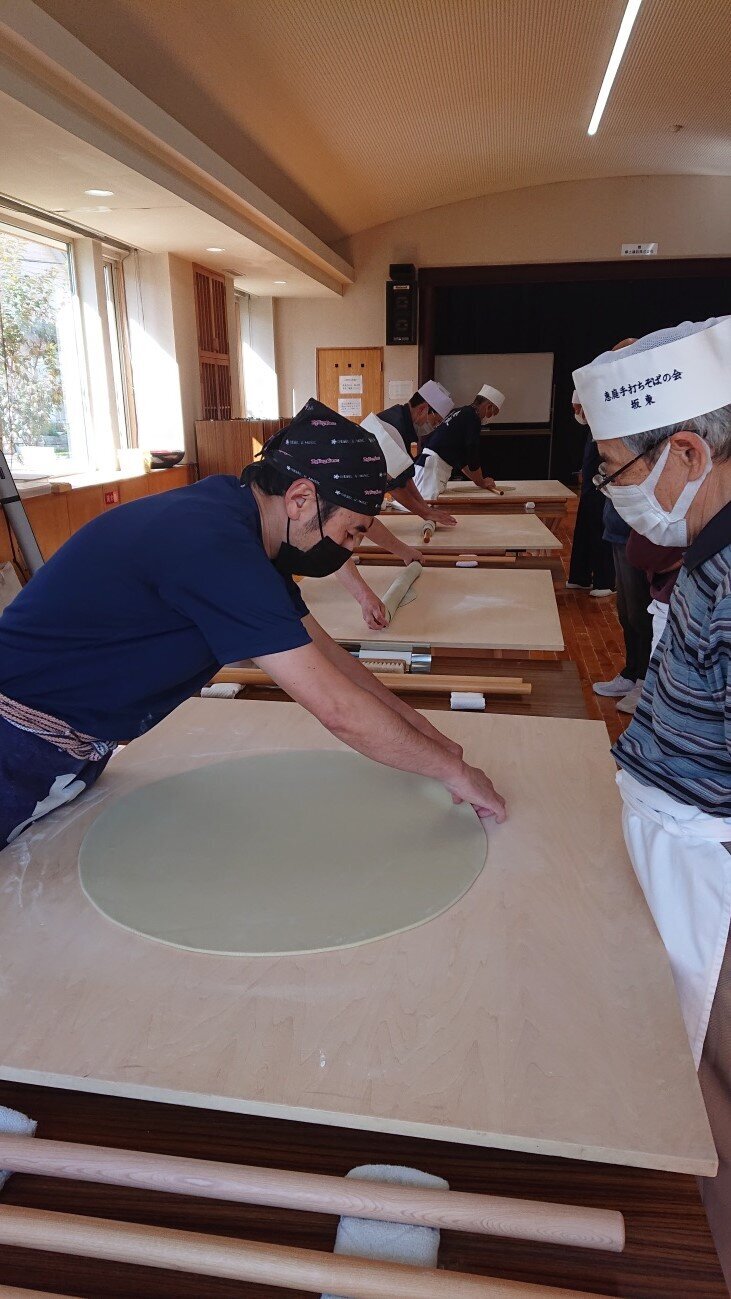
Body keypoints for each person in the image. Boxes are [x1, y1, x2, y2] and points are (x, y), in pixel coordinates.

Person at [0, 399, 506, 849]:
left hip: (73, 739)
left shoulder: (243, 527)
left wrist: (429, 735)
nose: (349, 550)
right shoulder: (215, 548)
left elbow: (333, 662)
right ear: (302, 498)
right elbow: (337, 709)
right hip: (16, 738)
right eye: (351, 533)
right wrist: (455, 773)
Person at [574, 315, 731, 1285]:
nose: (611, 493)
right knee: (689, 1086)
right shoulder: (709, 548)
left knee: (708, 1099)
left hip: (706, 860)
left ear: (684, 449)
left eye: (612, 469)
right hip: (673, 830)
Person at [414, 385, 505, 501]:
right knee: (424, 508)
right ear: (489, 407)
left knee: (422, 506)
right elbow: (472, 455)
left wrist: (479, 482)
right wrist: (482, 481)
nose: (492, 417)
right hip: (431, 469)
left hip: (427, 466)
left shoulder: (460, 412)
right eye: (494, 413)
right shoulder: (473, 418)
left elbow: (461, 460)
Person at [566, 392, 615, 596]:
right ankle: (580, 577)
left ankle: (605, 581)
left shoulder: (607, 426)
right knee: (584, 529)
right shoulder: (593, 429)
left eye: (579, 409)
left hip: (604, 490)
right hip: (588, 490)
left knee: (600, 530)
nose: (577, 414)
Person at [378, 380, 454, 459]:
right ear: (422, 410)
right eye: (435, 422)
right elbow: (402, 468)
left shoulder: (398, 416)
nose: (434, 427)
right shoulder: (395, 429)